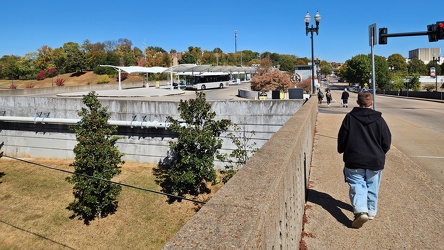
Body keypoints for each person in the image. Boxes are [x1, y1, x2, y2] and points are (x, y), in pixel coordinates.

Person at [337, 91, 392, 229]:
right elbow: (386, 141)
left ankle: (361, 210)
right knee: (373, 185)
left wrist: (342, 149)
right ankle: (371, 211)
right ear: (371, 103)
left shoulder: (350, 118)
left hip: (354, 159)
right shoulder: (379, 120)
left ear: (357, 103)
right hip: (375, 160)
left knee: (357, 185)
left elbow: (342, 138)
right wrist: (380, 153)